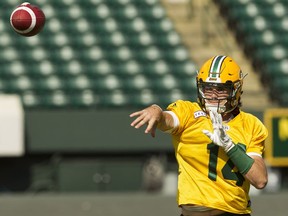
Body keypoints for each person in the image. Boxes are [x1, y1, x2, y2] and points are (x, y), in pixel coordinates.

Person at [130, 55, 268, 216]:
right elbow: (167, 119)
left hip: (232, 212)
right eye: (208, 88)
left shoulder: (251, 124)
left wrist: (229, 146)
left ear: (236, 91)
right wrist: (156, 111)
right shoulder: (188, 112)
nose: (213, 95)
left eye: (221, 89)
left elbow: (260, 180)